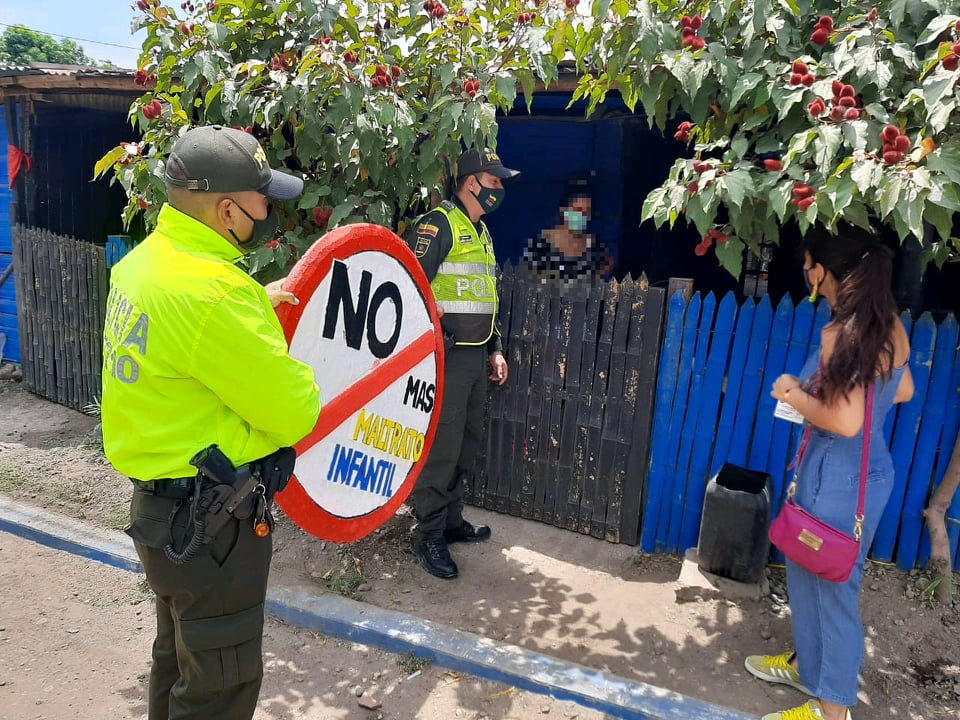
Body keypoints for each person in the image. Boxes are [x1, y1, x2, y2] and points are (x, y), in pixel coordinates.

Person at [101, 125, 321, 720]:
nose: (268, 211)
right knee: (220, 687)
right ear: (227, 209)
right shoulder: (215, 296)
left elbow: (183, 351)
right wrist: (257, 326)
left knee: (179, 661)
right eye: (261, 201)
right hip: (214, 526)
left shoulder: (144, 264)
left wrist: (251, 304)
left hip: (158, 513)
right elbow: (296, 410)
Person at [745, 227, 914, 720]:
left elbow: (843, 421)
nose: (805, 273)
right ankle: (808, 667)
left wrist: (792, 393)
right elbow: (902, 393)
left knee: (834, 595)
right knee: (811, 577)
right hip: (868, 473)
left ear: (821, 271)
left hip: (835, 479)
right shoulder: (891, 325)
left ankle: (829, 711)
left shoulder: (842, 334)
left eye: (807, 265)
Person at [402, 147, 517, 579]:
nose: (500, 189)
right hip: (445, 358)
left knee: (466, 444)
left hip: (476, 355)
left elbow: (485, 296)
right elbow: (411, 283)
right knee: (442, 449)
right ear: (472, 182)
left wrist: (496, 348)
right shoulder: (438, 224)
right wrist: (438, 334)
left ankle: (450, 521)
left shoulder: (482, 233)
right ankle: (427, 534)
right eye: (495, 180)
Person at [523, 179, 614, 282]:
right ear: (563, 210)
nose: (582, 215)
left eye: (587, 211)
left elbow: (603, 274)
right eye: (578, 209)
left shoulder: (596, 247)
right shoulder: (540, 245)